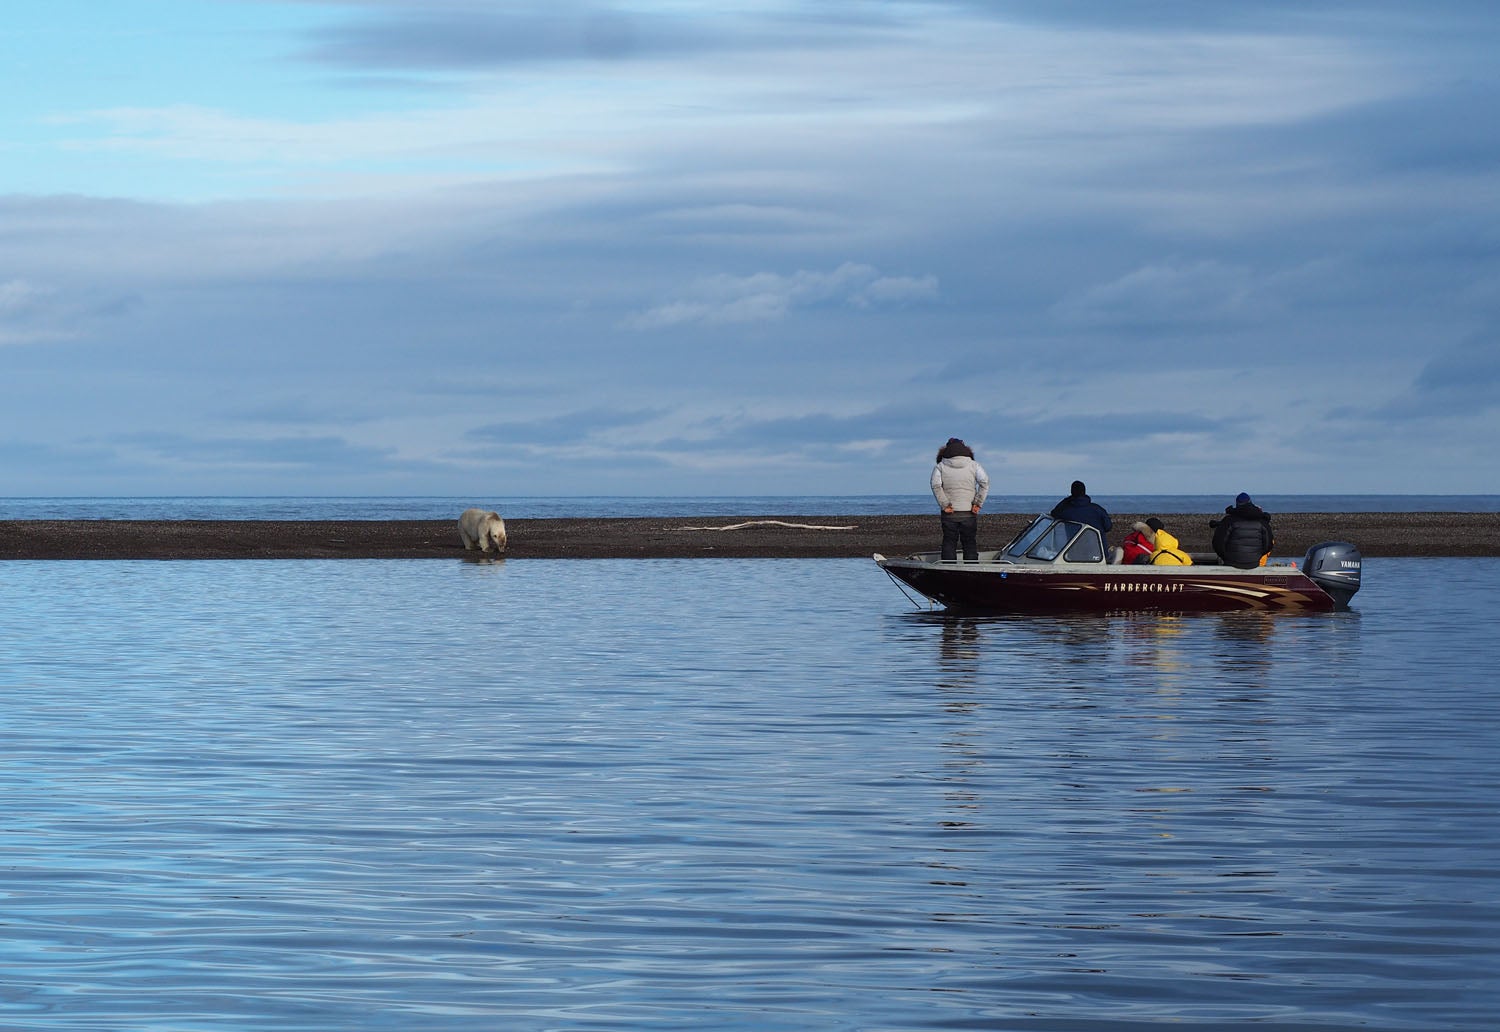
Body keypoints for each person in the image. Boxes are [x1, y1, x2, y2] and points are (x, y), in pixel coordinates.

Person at [930, 438, 989, 561]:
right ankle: (972, 571)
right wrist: (977, 503)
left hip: (949, 513)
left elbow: (936, 485)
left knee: (949, 541)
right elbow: (984, 483)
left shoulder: (940, 466)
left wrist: (945, 504)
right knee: (969, 543)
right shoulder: (974, 465)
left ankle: (947, 570)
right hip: (969, 511)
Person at [1210, 492, 1274, 568]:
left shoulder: (1229, 521)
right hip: (1254, 563)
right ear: (1250, 503)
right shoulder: (1262, 522)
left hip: (1231, 562)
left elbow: (1218, 543)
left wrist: (1226, 557)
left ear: (1237, 504)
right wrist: (1257, 556)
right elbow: (1269, 544)